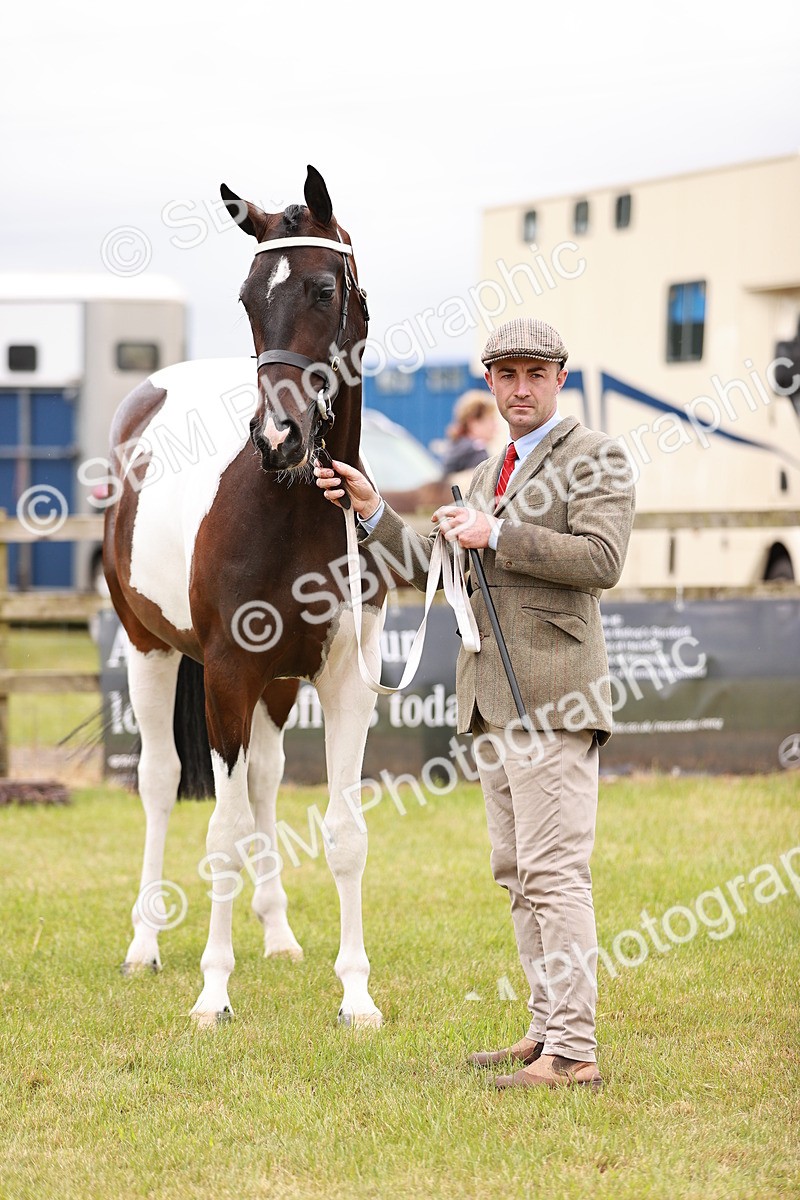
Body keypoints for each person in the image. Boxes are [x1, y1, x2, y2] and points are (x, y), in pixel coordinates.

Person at [315, 317, 635, 1091]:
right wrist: (370, 511)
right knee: (517, 871)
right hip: (494, 700)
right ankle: (546, 1031)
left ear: (560, 377)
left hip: (555, 697)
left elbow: (602, 559)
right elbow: (435, 565)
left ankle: (576, 1050)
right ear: (491, 382)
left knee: (555, 874)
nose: (520, 388)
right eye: (506, 374)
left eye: (534, 373)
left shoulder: (596, 455)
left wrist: (499, 531)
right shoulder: (495, 466)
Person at [439, 389, 500, 475]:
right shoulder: (476, 451)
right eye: (491, 419)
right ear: (473, 422)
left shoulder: (456, 446)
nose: (495, 426)